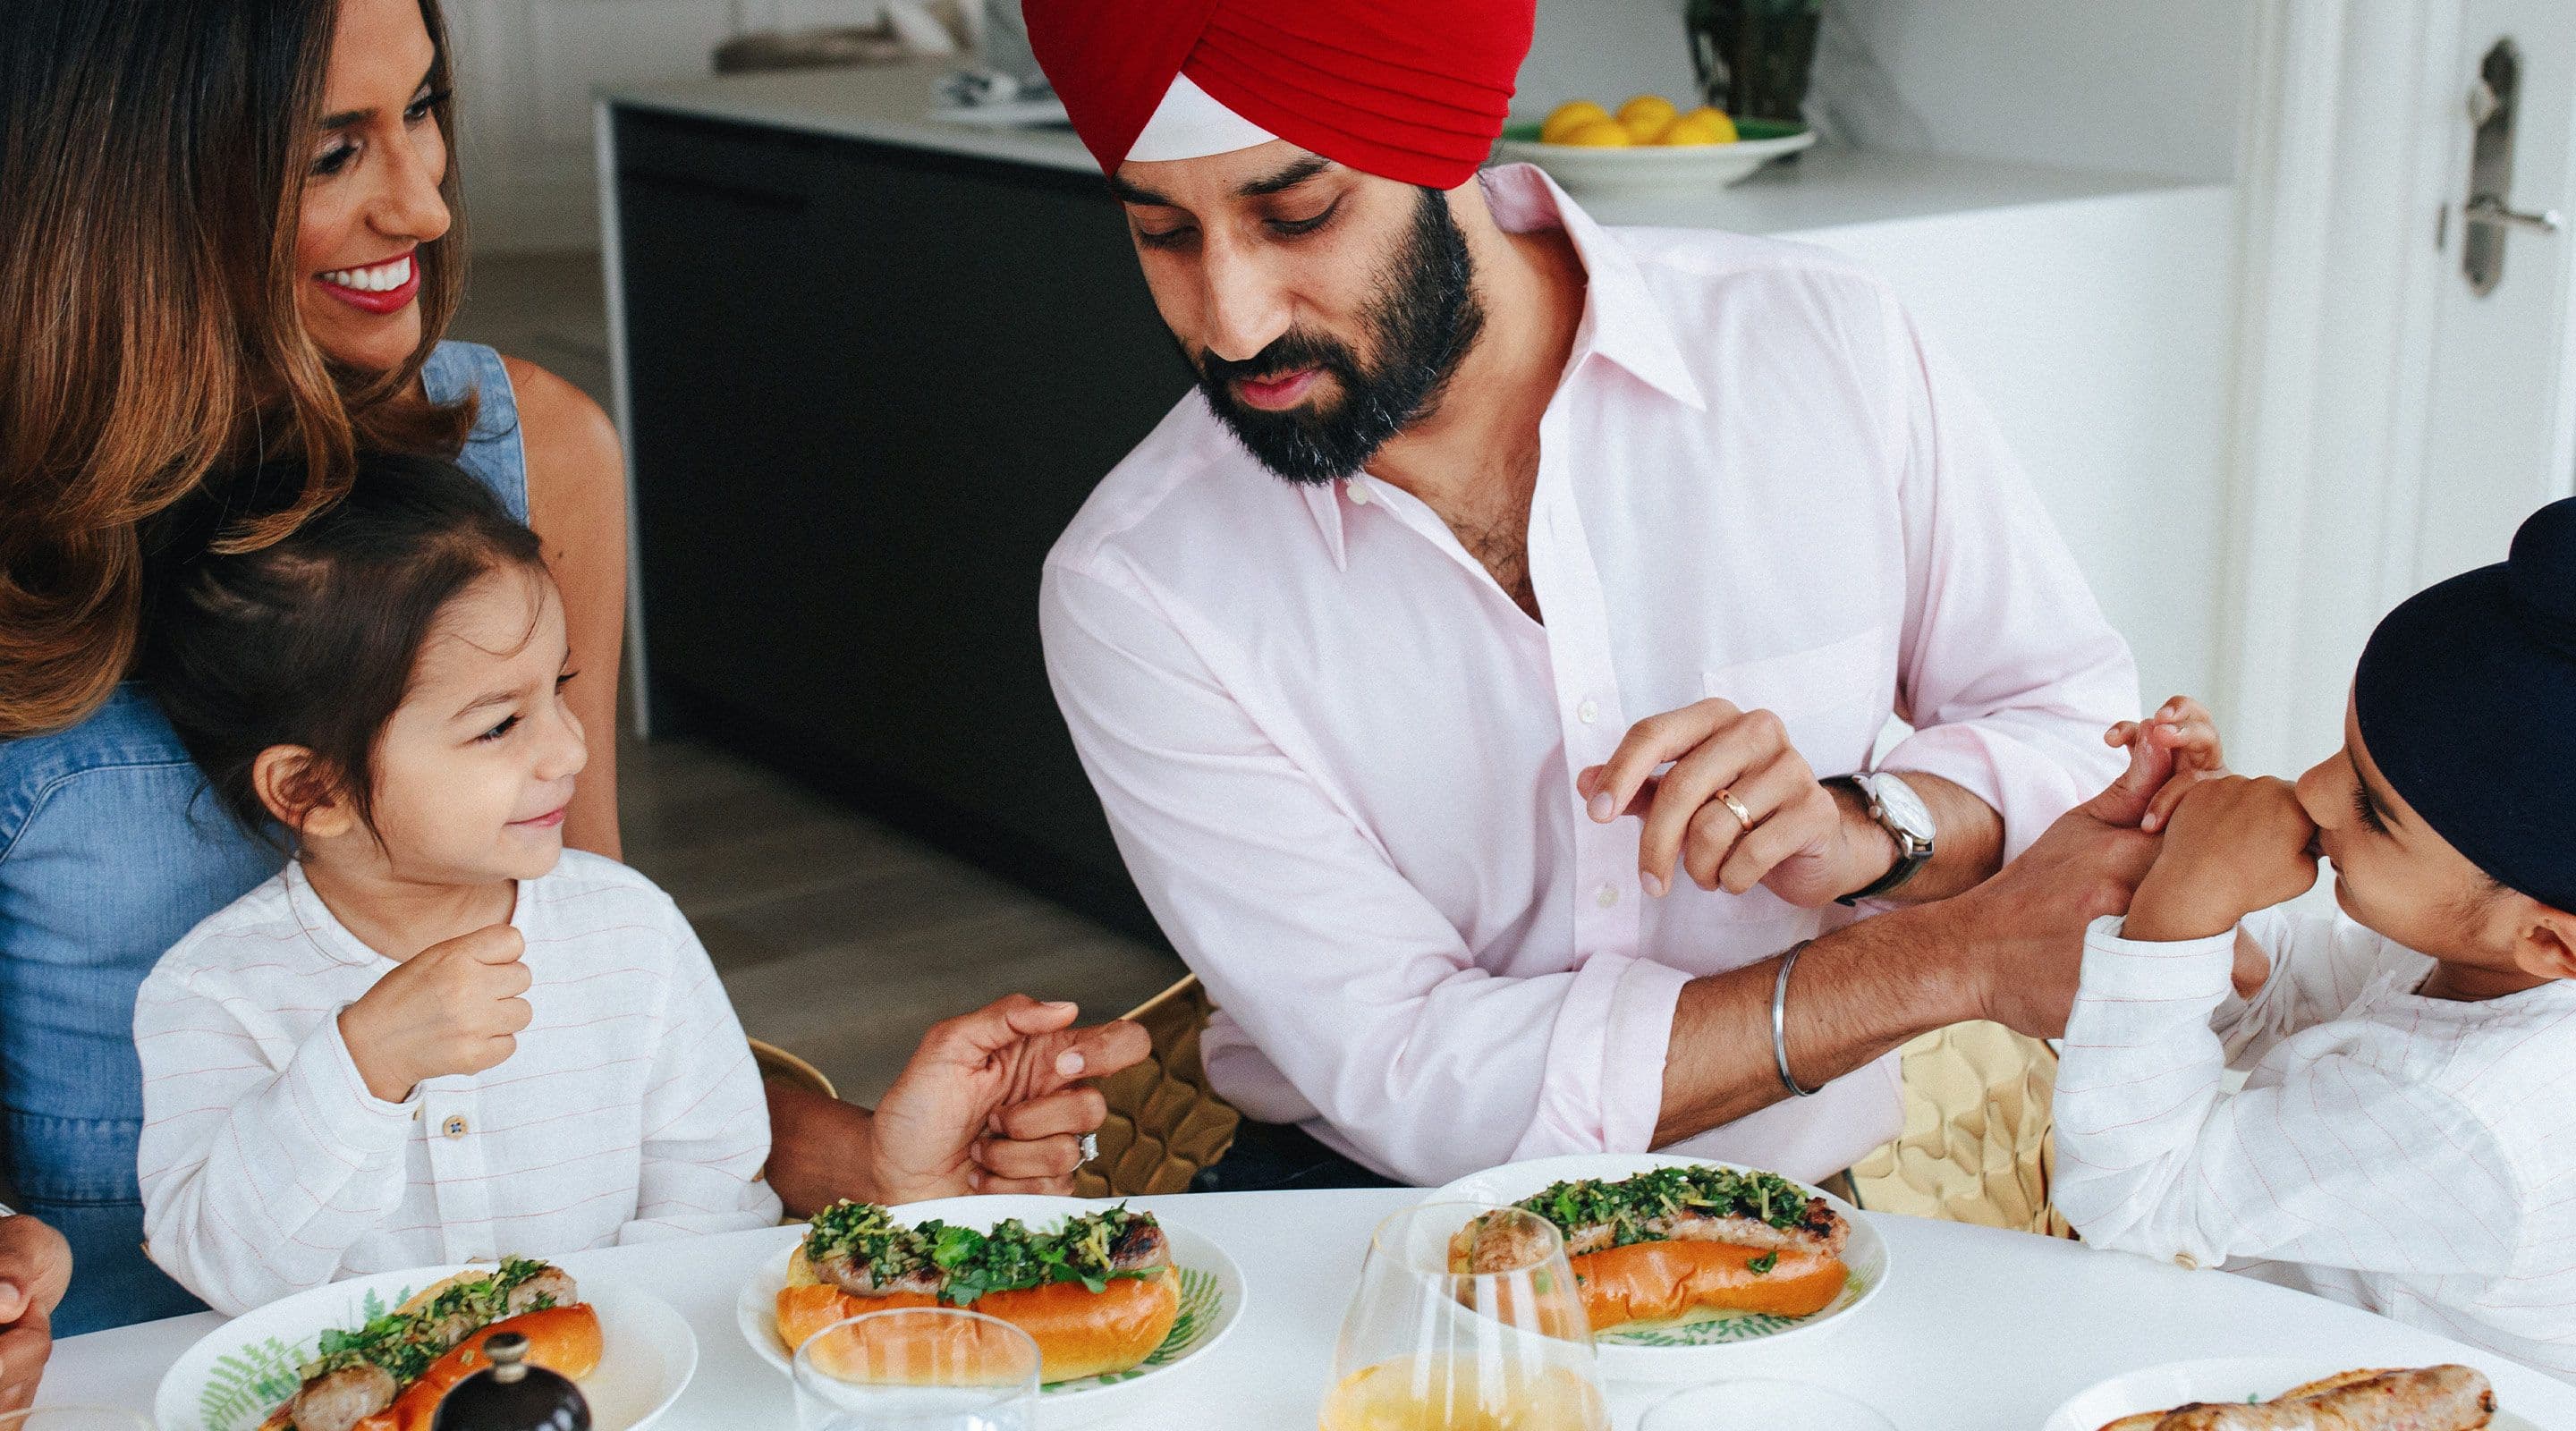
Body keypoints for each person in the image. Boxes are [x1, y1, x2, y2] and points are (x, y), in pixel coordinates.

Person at [0, 0, 1139, 1334]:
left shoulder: (537, 451)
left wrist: (872, 1165)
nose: (423, 206)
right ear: (119, 181)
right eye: (329, 154)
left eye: (423, 111)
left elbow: (594, 978)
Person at [1022, 0, 2151, 1190]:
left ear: (1445, 148)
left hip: (1819, 1205)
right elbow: (1413, 1070)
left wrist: (1876, 825)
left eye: (1298, 215)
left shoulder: (1821, 344)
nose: (1234, 322)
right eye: (1162, 233)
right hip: (1367, 1219)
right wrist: (1929, 969)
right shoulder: (1138, 585)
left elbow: (2077, 732)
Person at [132, 456, 1118, 1315]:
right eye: (496, 726)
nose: (568, 748)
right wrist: (361, 1066)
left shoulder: (627, 932)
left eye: (557, 689)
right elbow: (227, 1267)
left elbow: (712, 1190)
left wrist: (620, 1348)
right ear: (313, 788)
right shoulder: (213, 992)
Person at [2054, 498, 2576, 1384]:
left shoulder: (2472, 1116)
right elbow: (2291, 991)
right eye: (2346, 750)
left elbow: (2134, 1200)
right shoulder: (2487, 958)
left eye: (2374, 810)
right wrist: (2200, 870)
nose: (2314, 791)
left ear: (2551, 943)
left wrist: (2185, 905)